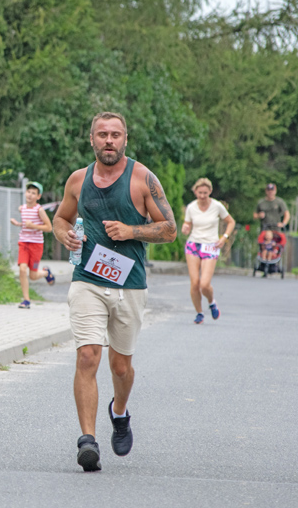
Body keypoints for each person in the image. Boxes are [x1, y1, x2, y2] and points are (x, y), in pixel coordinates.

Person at [53, 111, 177, 472]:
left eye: (116, 135)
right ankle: (87, 441)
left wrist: (131, 231)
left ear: (126, 139)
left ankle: (119, 412)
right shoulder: (78, 180)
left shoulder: (143, 179)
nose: (109, 140)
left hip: (129, 284)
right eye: (102, 134)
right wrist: (65, 235)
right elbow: (60, 219)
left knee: (120, 366)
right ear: (91, 139)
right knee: (88, 355)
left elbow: (169, 229)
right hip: (87, 278)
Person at [181, 178, 236, 325]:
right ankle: (199, 312)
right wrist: (185, 228)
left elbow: (231, 222)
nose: (203, 196)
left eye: (205, 193)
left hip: (210, 245)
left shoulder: (217, 206)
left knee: (204, 284)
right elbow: (187, 224)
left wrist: (224, 237)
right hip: (194, 244)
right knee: (194, 283)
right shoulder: (191, 207)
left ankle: (211, 302)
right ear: (195, 192)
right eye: (200, 193)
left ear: (210, 192)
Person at [10, 181, 55, 309]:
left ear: (38, 197)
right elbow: (25, 224)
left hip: (36, 244)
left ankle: (46, 273)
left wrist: (33, 225)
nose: (30, 195)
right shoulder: (22, 208)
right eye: (28, 192)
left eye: (33, 193)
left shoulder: (39, 210)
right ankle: (26, 300)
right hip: (23, 242)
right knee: (22, 269)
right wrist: (17, 224)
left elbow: (48, 227)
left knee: (33, 276)